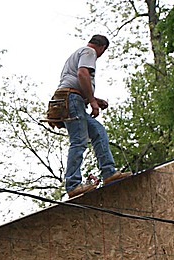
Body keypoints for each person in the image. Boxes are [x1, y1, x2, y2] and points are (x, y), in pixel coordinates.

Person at [56, 35, 131, 198]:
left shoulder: (78, 53)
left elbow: (76, 81)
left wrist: (93, 99)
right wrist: (92, 101)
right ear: (102, 47)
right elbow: (82, 74)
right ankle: (73, 184)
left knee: (98, 131)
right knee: (79, 141)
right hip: (72, 100)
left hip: (71, 100)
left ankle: (109, 173)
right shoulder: (89, 52)